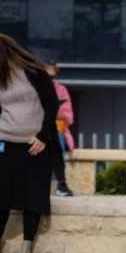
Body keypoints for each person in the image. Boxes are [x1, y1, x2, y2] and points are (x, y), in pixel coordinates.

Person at [0, 33, 61, 253]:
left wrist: (43, 136)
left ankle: (26, 250)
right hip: (4, 141)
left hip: (35, 144)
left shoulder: (34, 70)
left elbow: (52, 103)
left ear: (1, 53)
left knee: (33, 195)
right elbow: (1, 107)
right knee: (2, 195)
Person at [44, 61, 74, 197]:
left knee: (57, 147)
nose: (49, 80)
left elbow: (67, 116)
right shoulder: (34, 88)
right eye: (46, 76)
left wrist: (50, 109)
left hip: (56, 129)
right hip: (36, 130)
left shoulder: (61, 90)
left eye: (52, 77)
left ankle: (61, 185)